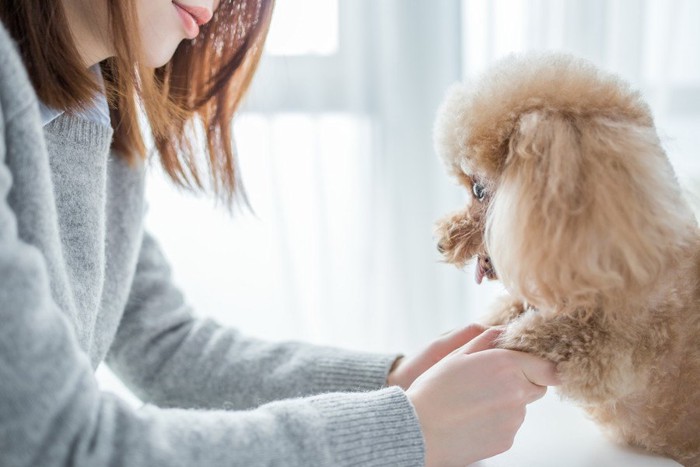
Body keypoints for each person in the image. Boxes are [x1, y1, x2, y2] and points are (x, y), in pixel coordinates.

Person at [0, 0, 559, 465]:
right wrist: (406, 431)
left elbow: (162, 347)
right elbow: (56, 443)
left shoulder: (99, 108)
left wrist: (391, 381)